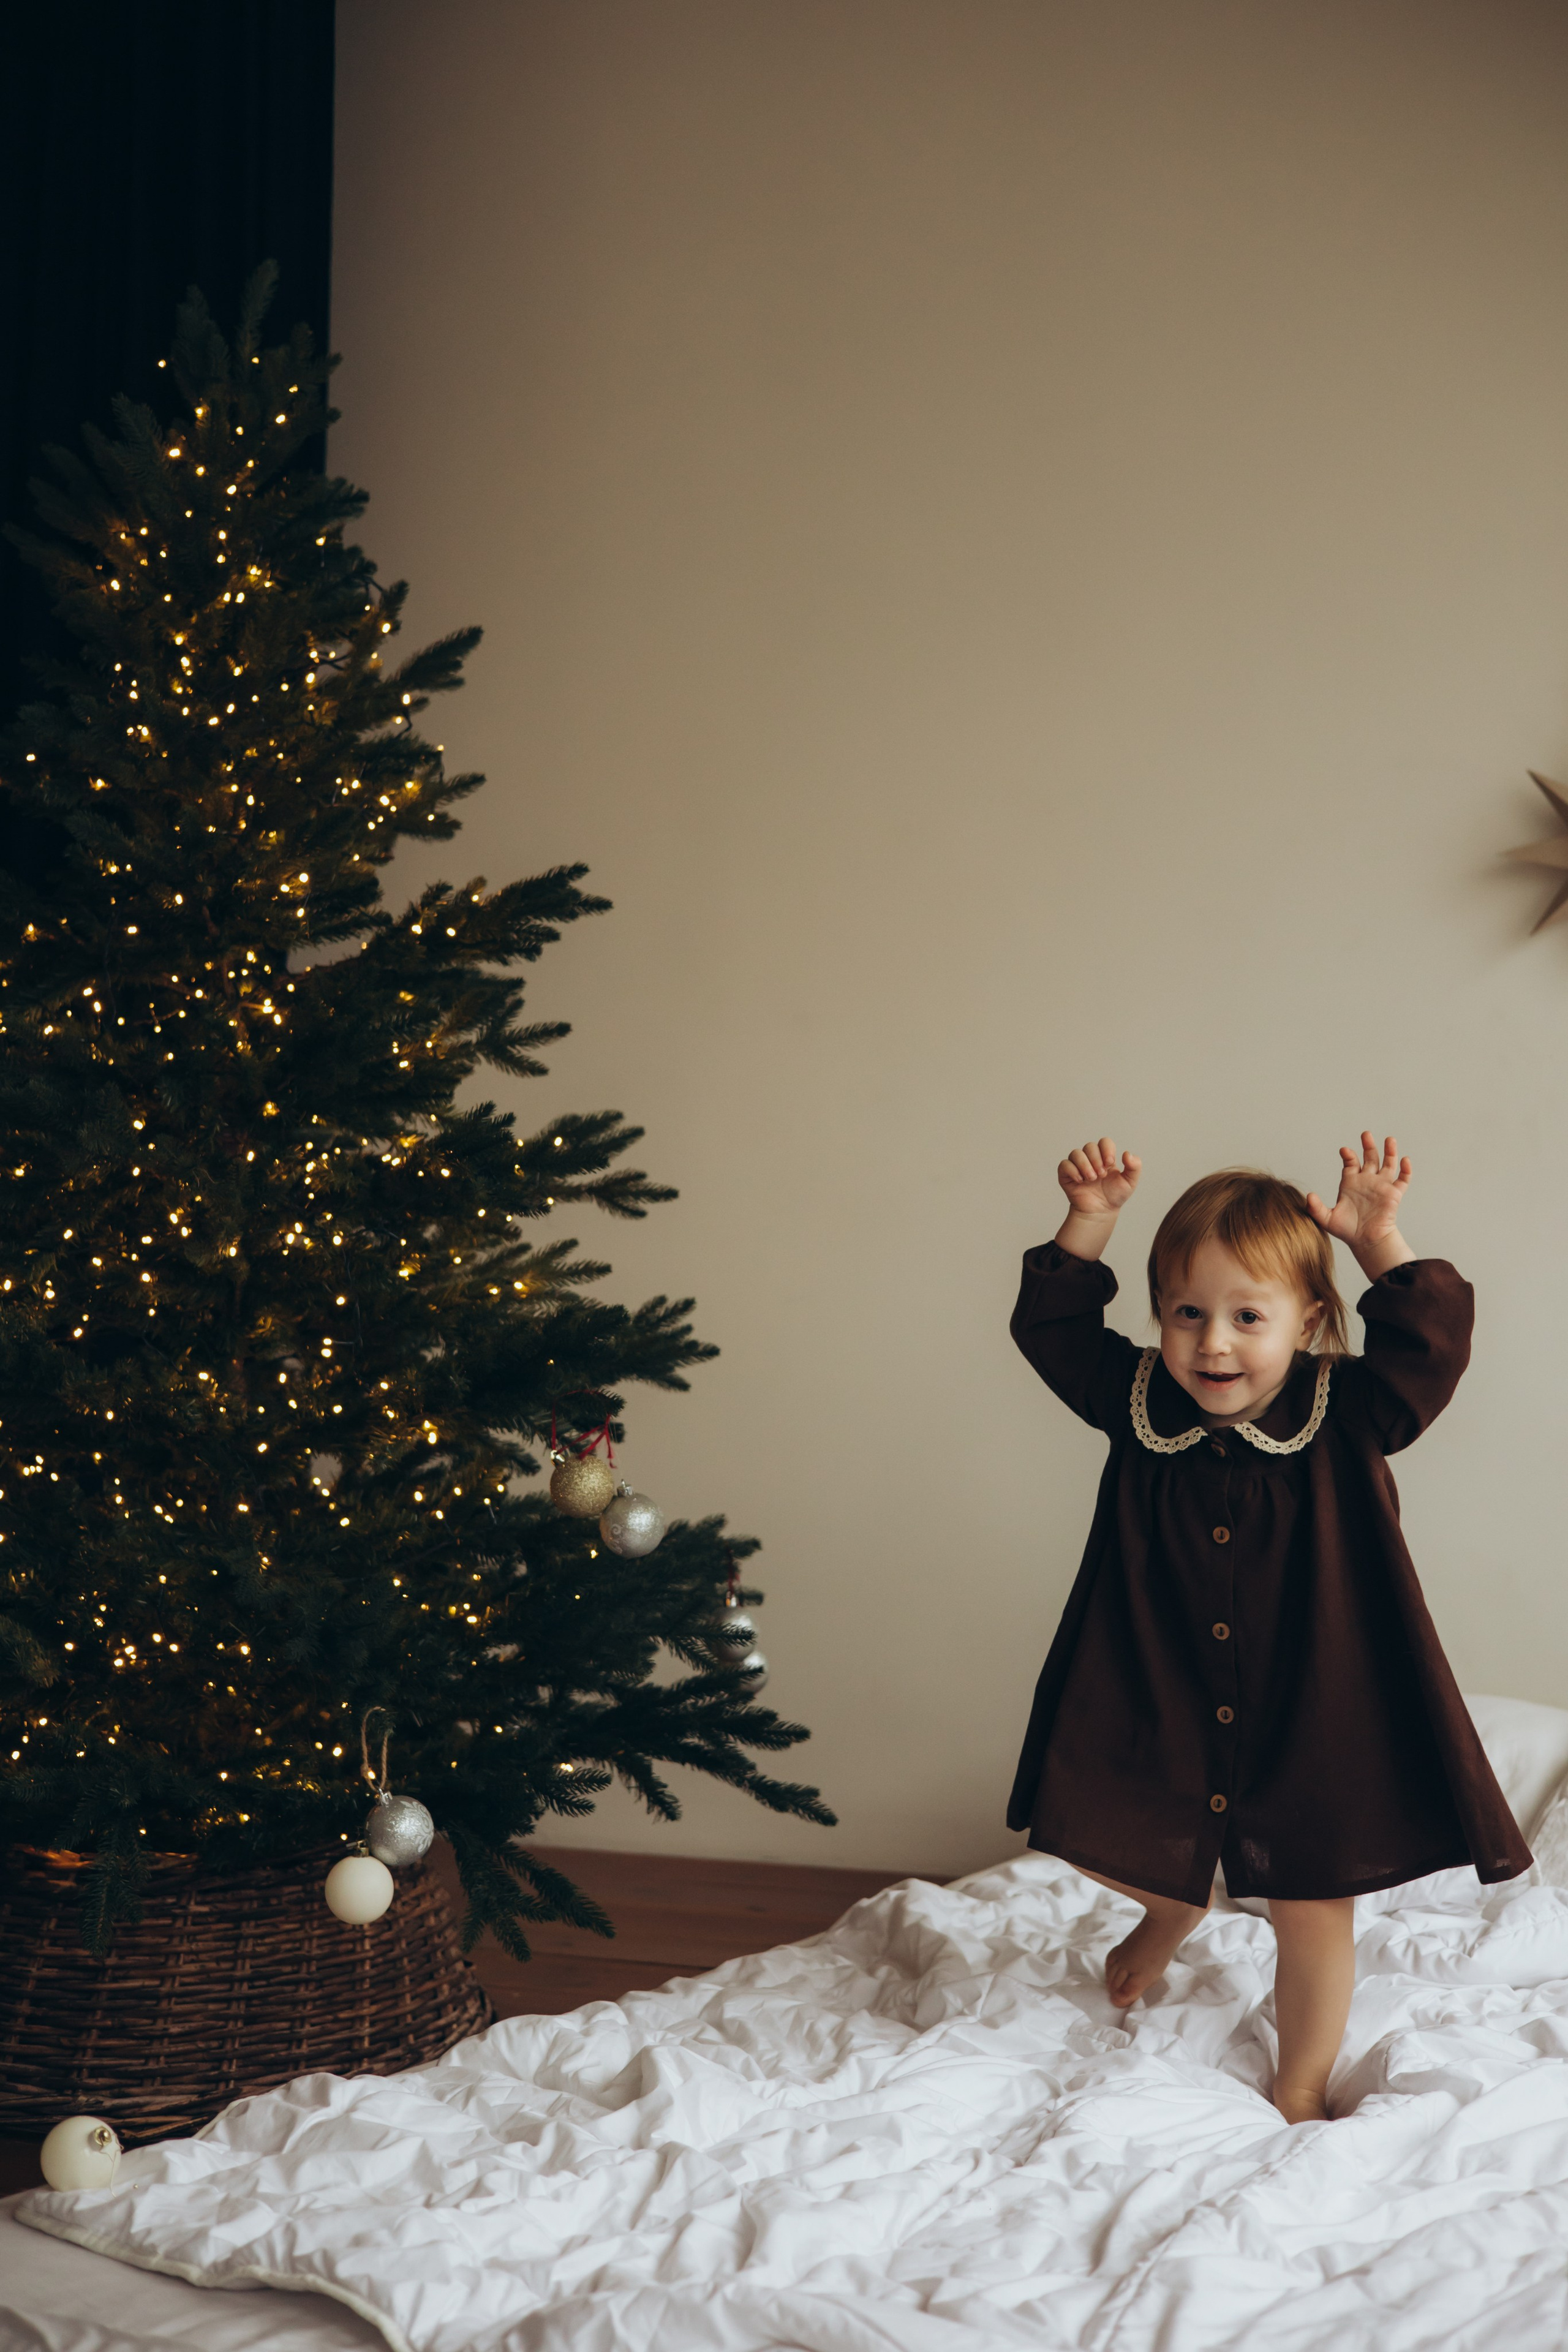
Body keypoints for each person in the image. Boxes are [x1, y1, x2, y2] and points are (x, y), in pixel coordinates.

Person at [1007, 1133, 1529, 2124]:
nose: (1214, 1343)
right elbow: (1055, 1332)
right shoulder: (1137, 1402)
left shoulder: (1351, 1409)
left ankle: (1299, 2081)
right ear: (1158, 1316)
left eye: (1250, 1317)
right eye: (1186, 1314)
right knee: (1095, 1815)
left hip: (1320, 1695)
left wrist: (1377, 1237)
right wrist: (1091, 1222)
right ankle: (1172, 1905)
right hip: (1158, 1675)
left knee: (1312, 1904)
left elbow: (1434, 1338)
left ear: (1311, 1320)